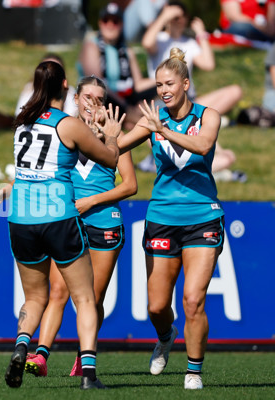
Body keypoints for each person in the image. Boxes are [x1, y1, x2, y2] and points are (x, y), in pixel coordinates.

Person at [0, 61, 124, 390]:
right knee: (85, 298)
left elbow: (26, 173)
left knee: (34, 298)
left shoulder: (22, 123)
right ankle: (88, 373)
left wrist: (7, 188)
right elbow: (110, 159)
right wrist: (115, 138)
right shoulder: (68, 125)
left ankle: (22, 347)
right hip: (58, 218)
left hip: (21, 220)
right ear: (66, 87)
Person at [117, 48, 225, 390]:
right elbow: (114, 149)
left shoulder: (208, 115)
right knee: (157, 306)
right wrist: (100, 133)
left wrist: (162, 129)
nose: (163, 90)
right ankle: (166, 336)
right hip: (161, 217)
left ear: (185, 84)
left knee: (193, 300)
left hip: (202, 217)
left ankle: (193, 371)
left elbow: (204, 146)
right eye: (159, 84)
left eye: (169, 83)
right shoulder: (151, 120)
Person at [23, 76, 138, 378]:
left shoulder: (114, 134)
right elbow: (39, 173)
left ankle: (83, 355)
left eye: (99, 99)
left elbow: (130, 186)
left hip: (103, 223)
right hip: (68, 221)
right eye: (88, 97)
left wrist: (91, 202)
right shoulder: (64, 130)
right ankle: (41, 356)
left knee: (91, 298)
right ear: (76, 98)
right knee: (58, 291)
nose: (92, 104)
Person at [140, 1, 245, 181]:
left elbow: (209, 64)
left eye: (181, 17)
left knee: (234, 91)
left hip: (191, 100)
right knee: (210, 147)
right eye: (175, 17)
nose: (177, 20)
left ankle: (215, 162)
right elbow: (146, 42)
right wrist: (165, 16)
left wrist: (202, 34)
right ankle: (215, 166)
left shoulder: (189, 42)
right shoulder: (159, 39)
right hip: (166, 102)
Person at [79, 2, 156, 129]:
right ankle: (137, 119)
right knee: (98, 91)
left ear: (121, 25)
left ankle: (130, 120)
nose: (110, 25)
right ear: (100, 23)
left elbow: (138, 84)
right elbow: (95, 82)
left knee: (160, 88)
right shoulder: (92, 45)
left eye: (115, 21)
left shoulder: (126, 50)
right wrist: (126, 107)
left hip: (125, 98)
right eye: (106, 20)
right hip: (103, 100)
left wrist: (160, 82)